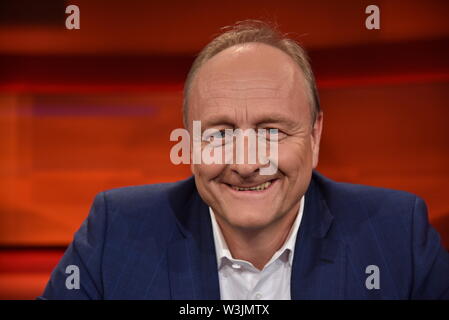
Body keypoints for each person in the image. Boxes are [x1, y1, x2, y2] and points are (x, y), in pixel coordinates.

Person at [39, 20, 449, 300]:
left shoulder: (396, 234)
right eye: (220, 134)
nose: (247, 163)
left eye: (271, 131)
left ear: (315, 134)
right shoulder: (117, 230)